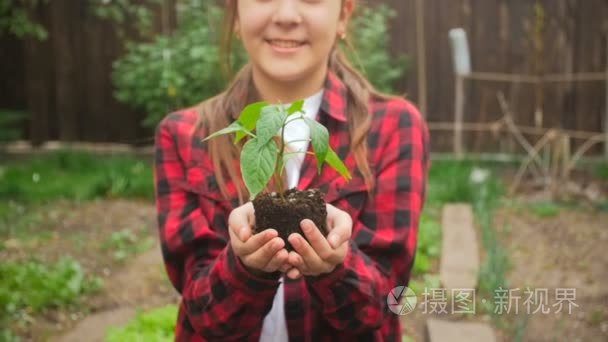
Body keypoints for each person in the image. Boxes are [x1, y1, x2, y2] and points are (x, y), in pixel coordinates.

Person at [154, 0, 430, 340]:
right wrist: (243, 267)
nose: (286, 16)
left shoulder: (394, 126)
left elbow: (384, 305)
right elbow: (206, 314)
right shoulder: (184, 134)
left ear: (343, 15)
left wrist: (337, 264)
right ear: (235, 15)